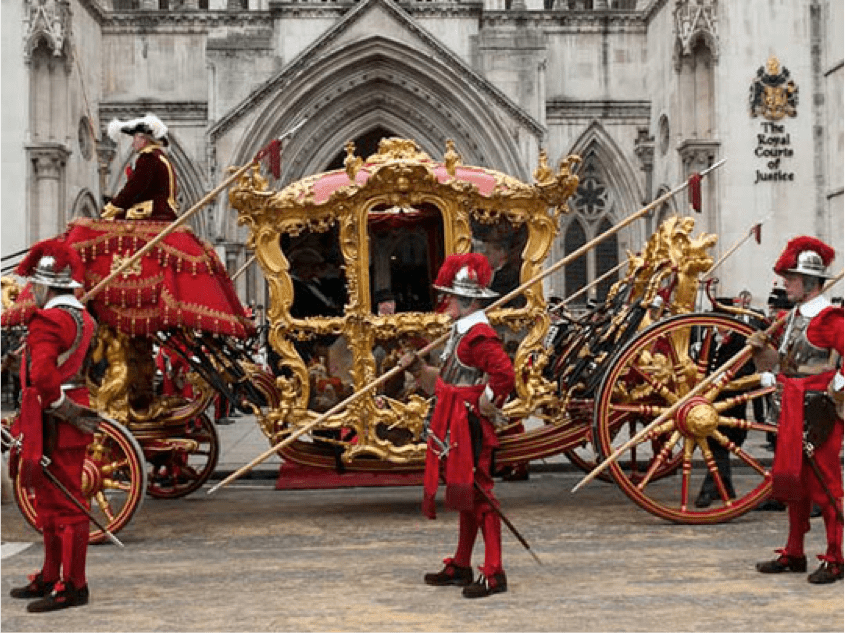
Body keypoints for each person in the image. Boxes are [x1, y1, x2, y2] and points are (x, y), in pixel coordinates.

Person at [402, 253, 515, 598]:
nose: (445, 301)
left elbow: (504, 375)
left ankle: (494, 572)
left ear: (466, 300)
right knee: (466, 495)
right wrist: (419, 368)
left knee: (480, 496)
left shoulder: (479, 335)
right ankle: (463, 564)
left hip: (469, 426)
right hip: (455, 423)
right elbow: (449, 381)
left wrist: (485, 404)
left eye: (450, 296)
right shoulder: (462, 332)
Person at [8, 238, 98, 611]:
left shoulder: (48, 320)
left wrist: (56, 403)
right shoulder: (83, 318)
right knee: (49, 500)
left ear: (46, 286)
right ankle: (50, 574)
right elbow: (56, 365)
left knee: (64, 504)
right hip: (72, 411)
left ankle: (74, 584)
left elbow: (45, 375)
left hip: (52, 417)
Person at [751, 236, 844, 584]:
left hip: (819, 410)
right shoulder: (791, 318)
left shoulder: (830, 318)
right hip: (790, 405)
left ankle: (835, 557)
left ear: (808, 283)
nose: (785, 283)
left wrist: (841, 381)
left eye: (791, 279)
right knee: (793, 483)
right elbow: (789, 361)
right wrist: (765, 360)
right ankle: (794, 552)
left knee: (826, 484)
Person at [101, 114, 179, 221]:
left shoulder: (149, 158)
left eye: (135, 138)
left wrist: (113, 206)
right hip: (161, 210)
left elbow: (135, 188)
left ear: (144, 139)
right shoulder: (158, 156)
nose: (133, 144)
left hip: (154, 213)